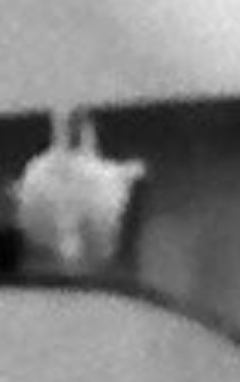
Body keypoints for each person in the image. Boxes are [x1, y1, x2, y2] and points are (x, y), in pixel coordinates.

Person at [9, 107, 142, 276]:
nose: (73, 129)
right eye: (68, 123)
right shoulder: (39, 172)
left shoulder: (103, 175)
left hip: (94, 258)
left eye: (78, 123)